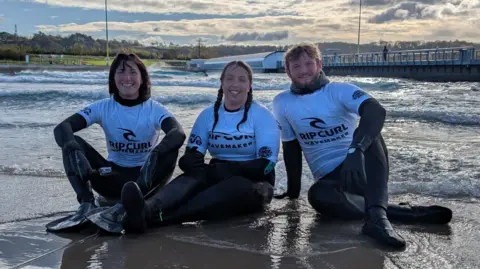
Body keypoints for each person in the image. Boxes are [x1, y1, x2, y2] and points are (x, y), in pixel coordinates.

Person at [272, 43, 452, 249]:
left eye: (308, 64)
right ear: (287, 71)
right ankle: (395, 212)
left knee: (370, 133)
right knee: (317, 196)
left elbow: (376, 111)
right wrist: (292, 193)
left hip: (362, 167)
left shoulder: (339, 90)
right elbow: (291, 146)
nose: (303, 70)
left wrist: (356, 149)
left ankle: (377, 220)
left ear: (319, 64)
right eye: (296, 66)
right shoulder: (282, 102)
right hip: (333, 183)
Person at [94, 60, 281, 234]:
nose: (235, 84)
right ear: (221, 83)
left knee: (234, 185)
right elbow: (190, 157)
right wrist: (192, 162)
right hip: (218, 173)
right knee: (193, 177)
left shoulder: (262, 117)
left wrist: (229, 169)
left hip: (256, 183)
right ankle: (147, 208)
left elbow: (266, 166)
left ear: (250, 86)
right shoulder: (208, 116)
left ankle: (157, 220)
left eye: (242, 79)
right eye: (230, 78)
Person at [46, 52, 185, 232]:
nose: (127, 78)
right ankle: (86, 204)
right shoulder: (103, 107)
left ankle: (123, 208)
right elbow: (62, 128)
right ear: (113, 78)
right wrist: (71, 147)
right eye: (120, 72)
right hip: (112, 178)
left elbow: (178, 132)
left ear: (143, 78)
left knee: (170, 149)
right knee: (72, 141)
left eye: (133, 72)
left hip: (145, 181)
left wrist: (158, 151)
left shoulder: (154, 109)